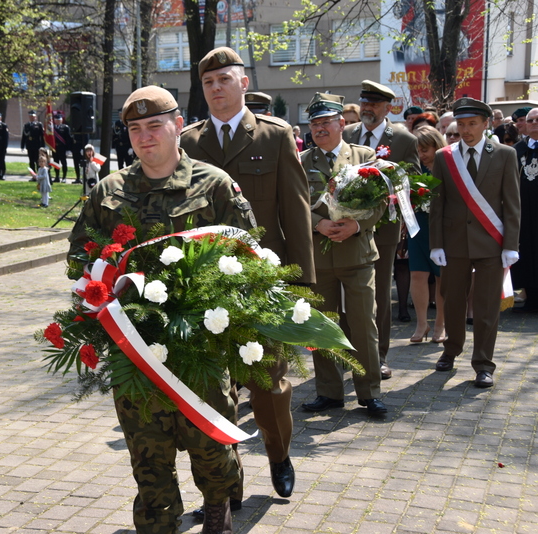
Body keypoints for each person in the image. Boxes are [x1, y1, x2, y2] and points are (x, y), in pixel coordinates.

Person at [68, 85, 253, 534]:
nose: (145, 137)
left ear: (177, 126)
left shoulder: (213, 185)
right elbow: (78, 257)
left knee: (209, 441)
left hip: (199, 344)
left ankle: (217, 507)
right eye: (135, 129)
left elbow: (249, 256)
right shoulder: (109, 191)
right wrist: (103, 284)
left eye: (154, 126)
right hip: (134, 346)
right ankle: (158, 522)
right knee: (147, 449)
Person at [180, 47, 315, 505]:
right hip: (204, 281)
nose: (216, 89)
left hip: (263, 278)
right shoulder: (189, 143)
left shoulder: (274, 136)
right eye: (208, 83)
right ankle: (224, 480)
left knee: (269, 384)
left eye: (224, 80)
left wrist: (301, 285)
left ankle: (279, 455)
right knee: (214, 386)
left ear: (243, 82)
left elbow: (295, 213)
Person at [298, 92, 386, 415]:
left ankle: (370, 392)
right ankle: (330, 392)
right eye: (314, 123)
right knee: (323, 326)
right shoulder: (301, 161)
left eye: (326, 122)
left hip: (358, 255)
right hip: (319, 261)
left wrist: (356, 226)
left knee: (364, 325)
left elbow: (379, 202)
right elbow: (293, 206)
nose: (320, 129)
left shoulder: (364, 156)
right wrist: (318, 224)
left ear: (341, 123)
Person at [429, 98, 520, 388]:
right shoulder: (445, 157)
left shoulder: (505, 154)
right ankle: (451, 350)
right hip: (454, 243)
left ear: (486, 124)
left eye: (472, 124)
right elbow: (437, 203)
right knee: (453, 302)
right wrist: (436, 244)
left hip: (491, 244)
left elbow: (512, 204)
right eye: (462, 124)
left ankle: (483, 363)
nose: (465, 130)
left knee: (486, 306)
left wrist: (510, 245)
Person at [343, 80, 420, 381]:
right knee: (349, 291)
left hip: (384, 229)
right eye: (364, 102)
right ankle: (349, 353)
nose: (367, 109)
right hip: (348, 226)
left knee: (378, 296)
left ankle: (379, 355)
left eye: (374, 104)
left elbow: (411, 179)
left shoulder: (402, 138)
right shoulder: (348, 134)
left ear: (388, 108)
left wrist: (386, 179)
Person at [409, 126, 447, 342]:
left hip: (442, 231)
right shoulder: (416, 171)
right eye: (418, 151)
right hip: (418, 228)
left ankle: (440, 325)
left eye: (425, 149)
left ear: (437, 146)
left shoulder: (447, 169)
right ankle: (421, 324)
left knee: (441, 278)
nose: (421, 155)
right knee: (418, 274)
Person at [511, 107, 538, 312]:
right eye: (530, 120)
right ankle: (530, 298)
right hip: (522, 213)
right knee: (526, 253)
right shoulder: (517, 150)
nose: (534, 123)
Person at [52, 113, 72, 181]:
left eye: (59, 120)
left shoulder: (65, 127)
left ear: (61, 120)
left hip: (62, 148)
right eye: (56, 120)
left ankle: (64, 177)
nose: (58, 121)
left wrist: (68, 149)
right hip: (55, 148)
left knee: (64, 163)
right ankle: (57, 177)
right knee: (56, 162)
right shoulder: (52, 128)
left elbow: (68, 139)